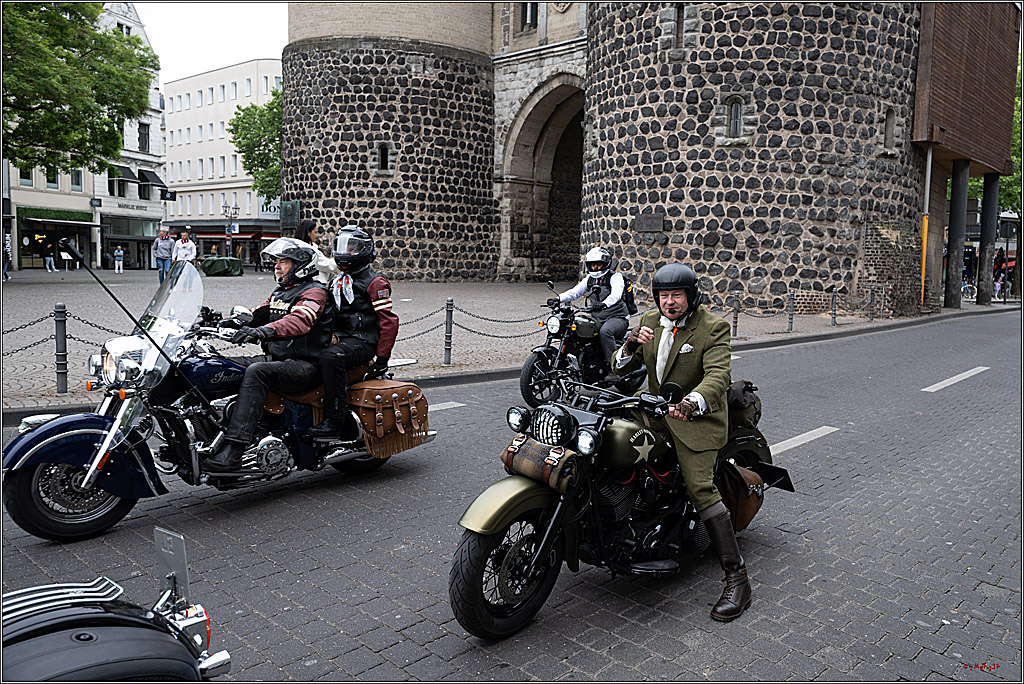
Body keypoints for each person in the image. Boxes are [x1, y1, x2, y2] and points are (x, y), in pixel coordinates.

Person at [612, 263, 749, 622]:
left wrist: (692, 402)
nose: (669, 303)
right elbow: (619, 370)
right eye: (663, 296)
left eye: (676, 295)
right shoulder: (648, 320)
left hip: (696, 418)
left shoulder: (712, 327)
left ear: (691, 296)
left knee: (700, 487)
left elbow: (719, 375)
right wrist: (627, 344)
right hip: (654, 410)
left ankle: (737, 579)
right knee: (605, 444)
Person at [204, 238, 333, 472]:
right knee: (219, 364)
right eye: (276, 262)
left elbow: (299, 321)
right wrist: (223, 323)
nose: (277, 266)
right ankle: (216, 431)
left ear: (300, 266)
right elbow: (258, 314)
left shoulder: (315, 293)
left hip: (306, 364)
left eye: (284, 262)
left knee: (257, 371)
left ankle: (234, 449)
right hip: (279, 359)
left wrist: (263, 332)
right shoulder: (281, 292)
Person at [306, 225, 398, 441]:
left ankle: (334, 420)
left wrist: (382, 359)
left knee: (330, 357)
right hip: (342, 337)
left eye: (352, 247)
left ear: (365, 250)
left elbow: (389, 322)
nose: (346, 252)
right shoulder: (336, 280)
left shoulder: (375, 282)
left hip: (362, 341)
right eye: (342, 247)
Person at [551, 247, 630, 376]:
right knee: (576, 330)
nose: (595, 268)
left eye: (598, 264)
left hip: (617, 317)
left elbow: (616, 294)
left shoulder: (615, 277)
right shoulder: (589, 279)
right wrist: (558, 299)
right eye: (592, 265)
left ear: (605, 264)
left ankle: (614, 368)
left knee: (605, 332)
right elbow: (575, 292)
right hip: (597, 318)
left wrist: (604, 304)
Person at [295, 219, 339, 285]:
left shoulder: (296, 246)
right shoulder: (310, 251)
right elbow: (329, 266)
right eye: (315, 232)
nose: (317, 235)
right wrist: (342, 257)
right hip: (314, 286)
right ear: (308, 233)